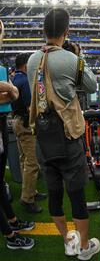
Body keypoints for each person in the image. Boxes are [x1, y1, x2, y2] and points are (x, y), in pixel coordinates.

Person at [27, 9, 100, 260]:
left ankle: (67, 240)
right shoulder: (71, 60)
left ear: (43, 31)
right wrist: (79, 58)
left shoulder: (32, 59)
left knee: (54, 191)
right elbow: (91, 86)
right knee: (76, 192)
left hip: (43, 137)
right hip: (68, 135)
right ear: (66, 32)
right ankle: (84, 248)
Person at [0, 19, 35, 250]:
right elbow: (10, 93)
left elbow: (11, 96)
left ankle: (12, 221)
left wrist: (9, 89)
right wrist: (8, 88)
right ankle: (10, 237)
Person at [11, 53, 46, 214]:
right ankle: (27, 199)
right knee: (32, 163)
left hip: (16, 121)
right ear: (26, 65)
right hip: (25, 124)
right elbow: (29, 107)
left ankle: (31, 191)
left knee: (24, 160)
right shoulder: (25, 80)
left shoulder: (15, 78)